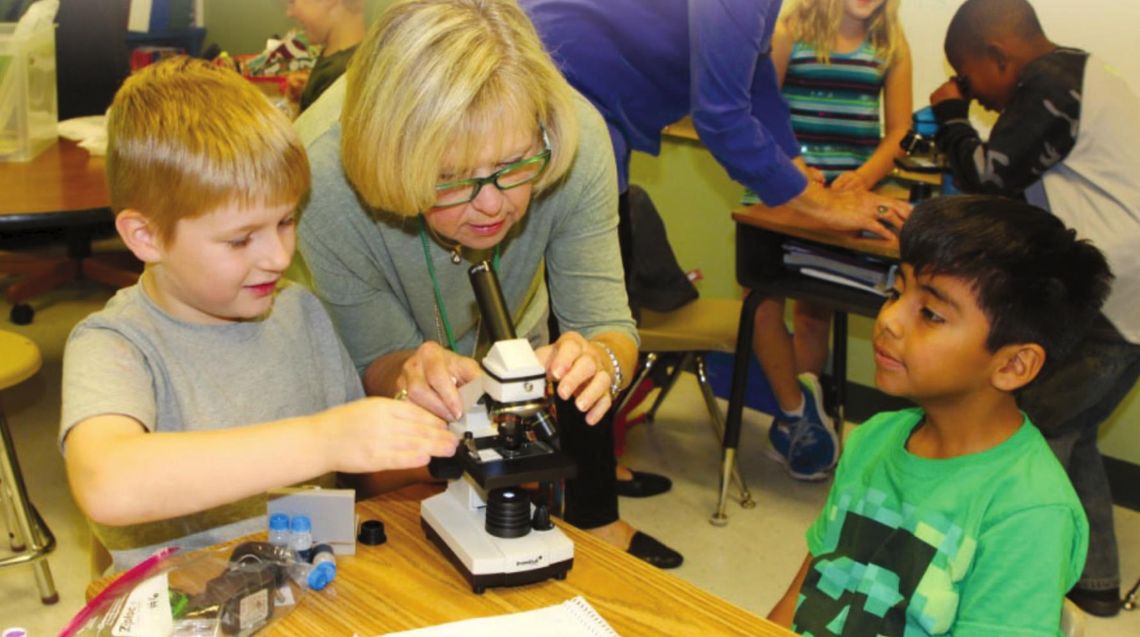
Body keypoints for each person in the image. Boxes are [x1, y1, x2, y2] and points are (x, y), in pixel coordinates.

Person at [294, 0, 682, 568]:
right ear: (391, 162)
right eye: (450, 178)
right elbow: (374, 356)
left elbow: (606, 325)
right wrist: (409, 371)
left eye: (515, 165)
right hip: (364, 392)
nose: (492, 206)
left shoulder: (575, 140)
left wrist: (599, 361)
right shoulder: (321, 179)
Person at [59, 57, 457, 571]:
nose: (278, 256)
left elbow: (352, 478)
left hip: (313, 596)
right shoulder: (114, 344)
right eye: (241, 238)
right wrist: (324, 439)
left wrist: (431, 442)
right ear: (147, 236)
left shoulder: (297, 311)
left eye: (286, 221)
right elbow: (108, 483)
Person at [519, 0, 910, 488]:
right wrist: (820, 203)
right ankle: (583, 498)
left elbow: (756, 72)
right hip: (556, 98)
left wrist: (791, 160)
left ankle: (590, 482)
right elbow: (721, 117)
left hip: (594, 113)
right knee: (586, 325)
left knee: (593, 322)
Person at [770, 195, 1110, 635]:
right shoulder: (873, 439)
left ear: (1012, 365)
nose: (889, 319)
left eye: (930, 313)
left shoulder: (1029, 512)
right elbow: (806, 588)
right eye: (896, 292)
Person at [929, 0, 1140, 617]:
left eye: (971, 80)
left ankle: (1019, 587)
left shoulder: (1049, 85)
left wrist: (948, 114)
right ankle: (1095, 582)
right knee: (1072, 429)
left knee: (1029, 427)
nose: (978, 100)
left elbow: (988, 177)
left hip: (1113, 300)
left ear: (999, 57)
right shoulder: (1082, 74)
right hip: (1126, 297)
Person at [750, 0, 912, 481]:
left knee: (814, 311)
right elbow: (760, 106)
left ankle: (796, 426)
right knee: (760, 296)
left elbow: (901, 129)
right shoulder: (789, 29)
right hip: (784, 187)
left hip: (853, 198)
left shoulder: (891, 43)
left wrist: (863, 179)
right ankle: (798, 410)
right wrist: (795, 173)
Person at [285, 0, 366, 112]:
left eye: (292, 1)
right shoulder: (350, 61)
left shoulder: (338, 75)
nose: (289, 13)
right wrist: (308, 93)